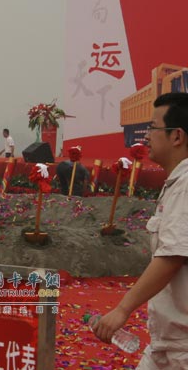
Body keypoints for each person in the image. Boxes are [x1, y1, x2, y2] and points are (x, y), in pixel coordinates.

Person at [92, 92, 188, 369]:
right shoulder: (176, 183)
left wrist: (122, 309)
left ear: (177, 136)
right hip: (167, 345)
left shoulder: (185, 186)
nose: (145, 137)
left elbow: (172, 257)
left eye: (153, 128)